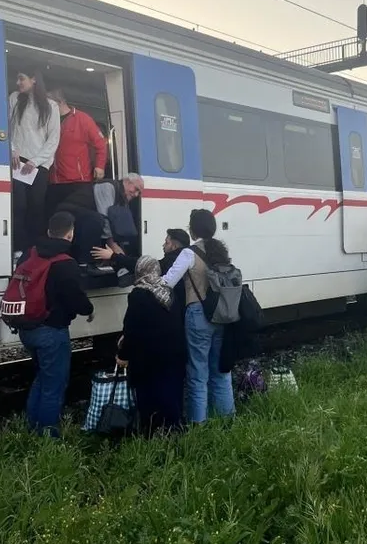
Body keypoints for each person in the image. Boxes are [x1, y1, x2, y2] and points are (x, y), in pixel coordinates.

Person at [17, 211, 94, 436]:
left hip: (26, 327)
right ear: (70, 234)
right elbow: (75, 297)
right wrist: (89, 309)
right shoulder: (65, 262)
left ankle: (33, 428)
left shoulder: (28, 253)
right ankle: (48, 437)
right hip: (51, 330)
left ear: (49, 231)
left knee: (42, 378)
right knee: (54, 386)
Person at [161, 209, 235, 424]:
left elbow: (167, 282)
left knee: (197, 374)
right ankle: (226, 420)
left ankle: (198, 425)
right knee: (220, 370)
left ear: (193, 230)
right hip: (222, 314)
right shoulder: (221, 251)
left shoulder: (189, 253)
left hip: (198, 315)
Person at [116, 256, 184, 433]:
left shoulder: (139, 294)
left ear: (139, 271)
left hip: (148, 358)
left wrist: (123, 355)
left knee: (149, 396)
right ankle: (174, 428)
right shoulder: (169, 291)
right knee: (170, 391)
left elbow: (131, 329)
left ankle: (152, 431)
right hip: (173, 353)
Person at [9, 71, 61, 256]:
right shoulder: (14, 98)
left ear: (34, 79)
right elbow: (7, 127)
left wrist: (36, 161)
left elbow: (53, 139)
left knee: (36, 208)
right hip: (18, 161)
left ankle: (34, 250)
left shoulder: (51, 106)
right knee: (18, 206)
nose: (18, 82)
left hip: (39, 164)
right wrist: (12, 148)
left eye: (21, 78)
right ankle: (18, 248)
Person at [58, 174, 144, 266]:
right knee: (97, 220)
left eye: (139, 193)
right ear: (127, 182)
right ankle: (86, 263)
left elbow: (117, 226)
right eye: (136, 189)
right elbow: (105, 216)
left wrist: (120, 255)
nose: (136, 194)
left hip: (84, 215)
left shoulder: (122, 199)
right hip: (69, 211)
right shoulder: (108, 186)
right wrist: (112, 244)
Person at [47, 88, 108, 208]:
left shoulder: (83, 119)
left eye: (48, 102)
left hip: (78, 181)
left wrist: (100, 166)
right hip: (54, 180)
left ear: (60, 102)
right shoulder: (48, 121)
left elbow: (101, 144)